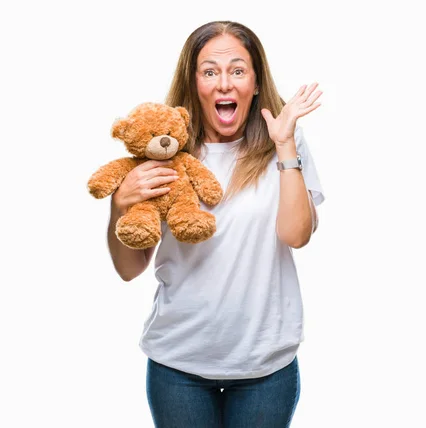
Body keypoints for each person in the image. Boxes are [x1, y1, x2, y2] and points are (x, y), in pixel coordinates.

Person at [106, 21, 325, 428]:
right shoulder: (163, 153)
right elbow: (128, 268)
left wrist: (285, 145)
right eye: (210, 71)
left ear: (256, 82)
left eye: (238, 70)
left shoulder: (286, 144)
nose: (224, 83)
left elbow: (296, 235)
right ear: (194, 83)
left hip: (266, 367)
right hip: (178, 366)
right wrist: (120, 205)